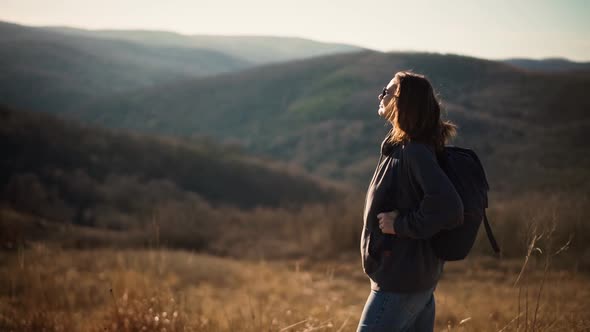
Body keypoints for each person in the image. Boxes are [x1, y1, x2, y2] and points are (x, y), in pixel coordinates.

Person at [357, 71, 464, 332]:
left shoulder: (414, 151)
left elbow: (450, 208)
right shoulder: (405, 147)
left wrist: (401, 224)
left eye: (388, 90)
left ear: (404, 103)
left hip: (400, 281)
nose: (381, 95)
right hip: (413, 278)